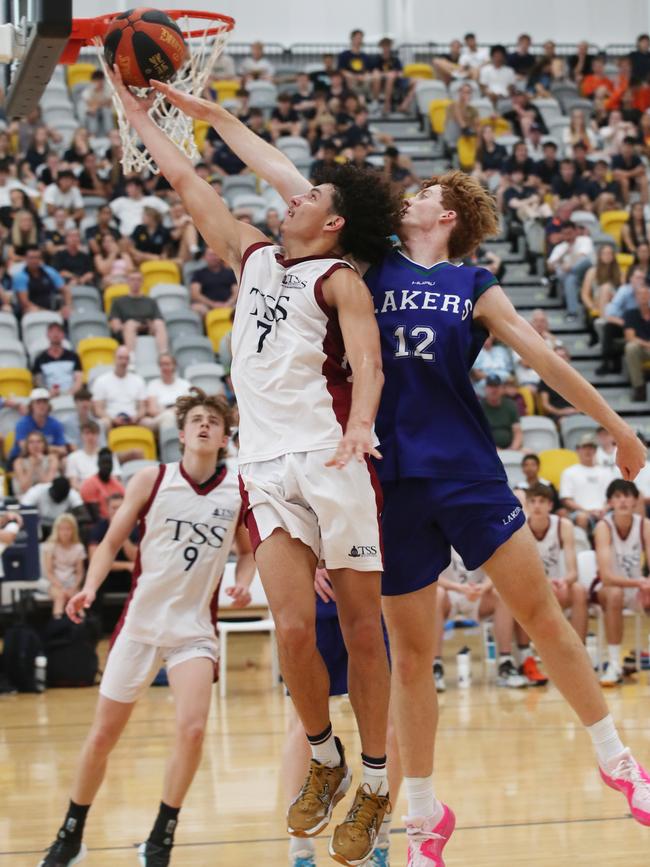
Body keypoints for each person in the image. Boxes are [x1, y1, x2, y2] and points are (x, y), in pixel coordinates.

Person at [153, 84, 650, 863]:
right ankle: (423, 816)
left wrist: (619, 428)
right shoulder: (366, 261)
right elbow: (287, 176)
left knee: (543, 613)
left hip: (464, 468)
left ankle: (619, 758)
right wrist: (217, 120)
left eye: (421, 192)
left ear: (446, 213)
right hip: (385, 483)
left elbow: (543, 356)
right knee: (410, 655)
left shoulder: (472, 283)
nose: (407, 196)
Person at [133, 70, 402, 867]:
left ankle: (379, 779)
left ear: (334, 219)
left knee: (360, 630)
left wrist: (358, 428)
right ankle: (326, 757)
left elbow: (369, 365)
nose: (292, 198)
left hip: (331, 460)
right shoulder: (251, 259)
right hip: (265, 465)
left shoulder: (340, 278)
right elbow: (185, 175)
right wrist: (137, 106)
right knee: (291, 627)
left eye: (308, 194)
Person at [38, 389, 256, 867]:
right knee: (101, 738)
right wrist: (90, 589)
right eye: (196, 420)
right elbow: (111, 540)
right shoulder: (151, 478)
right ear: (181, 433)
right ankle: (70, 835)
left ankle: (160, 838)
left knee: (194, 729)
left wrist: (243, 582)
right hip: (139, 626)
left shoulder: (236, 489)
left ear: (223, 438)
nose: (204, 426)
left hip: (193, 630)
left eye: (213, 423)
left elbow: (248, 552)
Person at [283, 567, 401, 867]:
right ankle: (300, 850)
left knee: (390, 725)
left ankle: (379, 841)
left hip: (376, 592)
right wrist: (299, 566)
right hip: (315, 598)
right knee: (302, 725)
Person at [432, 549, 528, 692]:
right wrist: (459, 588)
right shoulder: (438, 531)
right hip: (449, 592)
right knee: (436, 594)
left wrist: (483, 588)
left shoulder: (481, 530)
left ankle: (505, 663)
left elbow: (497, 568)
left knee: (502, 594)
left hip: (478, 593)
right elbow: (432, 575)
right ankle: (435, 667)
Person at [594, 479, 650, 686]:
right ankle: (615, 664)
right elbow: (607, 578)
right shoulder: (603, 526)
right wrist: (640, 583)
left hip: (637, 591)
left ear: (635, 500)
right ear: (610, 502)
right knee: (615, 592)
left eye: (627, 496)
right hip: (607, 590)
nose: (623, 501)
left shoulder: (645, 525)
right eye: (617, 496)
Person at [525, 484, 588, 642]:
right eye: (533, 501)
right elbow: (520, 573)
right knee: (516, 594)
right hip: (533, 587)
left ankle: (578, 647)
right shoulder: (520, 527)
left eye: (542, 501)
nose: (537, 505)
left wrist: (564, 581)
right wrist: (544, 583)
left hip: (558, 585)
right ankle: (524, 654)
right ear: (527, 505)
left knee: (579, 590)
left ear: (550, 505)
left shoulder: (563, 525)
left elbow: (573, 571)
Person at [560, 434, 616, 532]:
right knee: (582, 518)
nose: (588, 451)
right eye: (584, 447)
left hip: (604, 511)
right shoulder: (569, 472)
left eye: (591, 448)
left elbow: (613, 496)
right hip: (580, 512)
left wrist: (604, 509)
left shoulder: (606, 472)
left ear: (595, 450)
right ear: (578, 450)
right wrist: (586, 511)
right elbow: (566, 499)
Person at [108, 270, 169, 356]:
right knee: (130, 324)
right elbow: (115, 326)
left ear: (142, 282)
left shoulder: (150, 301)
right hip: (126, 333)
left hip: (148, 331)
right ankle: (131, 358)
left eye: (138, 280)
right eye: (132, 279)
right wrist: (130, 326)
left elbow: (158, 319)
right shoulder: (119, 302)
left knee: (159, 324)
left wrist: (148, 325)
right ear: (127, 281)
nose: (135, 282)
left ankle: (163, 355)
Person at [91, 346, 147, 429]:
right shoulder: (101, 381)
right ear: (114, 358)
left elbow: (143, 407)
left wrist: (136, 417)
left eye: (126, 358)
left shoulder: (138, 380)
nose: (124, 361)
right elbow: (98, 409)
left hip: (134, 420)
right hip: (110, 421)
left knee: (148, 422)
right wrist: (112, 419)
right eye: (120, 358)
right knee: (103, 423)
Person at [9, 387, 68, 464]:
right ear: (31, 405)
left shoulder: (55, 424)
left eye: (45, 402)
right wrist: (50, 448)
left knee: (63, 461)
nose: (42, 405)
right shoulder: (22, 423)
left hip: (47, 458)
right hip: (22, 458)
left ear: (48, 405)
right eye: (38, 402)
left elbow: (63, 450)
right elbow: (25, 447)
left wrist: (37, 447)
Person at [43, 513, 85, 619]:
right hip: (54, 583)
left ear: (73, 530)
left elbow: (80, 573)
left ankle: (82, 622)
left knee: (76, 598)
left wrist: (74, 587)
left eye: (68, 529)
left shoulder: (79, 547)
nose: (65, 532)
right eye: (62, 529)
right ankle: (58, 623)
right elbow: (49, 572)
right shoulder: (50, 546)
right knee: (60, 596)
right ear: (56, 530)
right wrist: (61, 587)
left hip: (72, 583)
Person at [13, 246, 71, 317]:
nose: (34, 261)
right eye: (31, 258)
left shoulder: (50, 272)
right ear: (25, 259)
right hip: (33, 310)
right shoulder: (20, 276)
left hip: (53, 309)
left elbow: (65, 291)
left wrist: (67, 306)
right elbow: (24, 302)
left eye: (37, 257)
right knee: (31, 310)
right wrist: (47, 313)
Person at [20, 476, 84, 539]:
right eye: (57, 496)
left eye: (61, 498)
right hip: (40, 525)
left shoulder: (72, 494)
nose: (58, 500)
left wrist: (68, 518)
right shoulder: (38, 490)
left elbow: (83, 515)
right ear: (51, 488)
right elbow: (24, 509)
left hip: (61, 526)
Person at [142, 353, 191, 433]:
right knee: (168, 417)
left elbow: (188, 406)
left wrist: (170, 410)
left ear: (174, 366)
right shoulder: (153, 385)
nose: (164, 367)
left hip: (180, 417)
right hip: (159, 418)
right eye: (162, 364)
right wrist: (171, 411)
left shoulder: (185, 384)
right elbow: (152, 410)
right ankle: (169, 444)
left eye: (167, 364)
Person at [32, 321, 83, 397]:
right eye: (52, 331)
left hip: (71, 396)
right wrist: (48, 393)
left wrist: (69, 394)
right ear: (47, 335)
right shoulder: (40, 359)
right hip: (49, 398)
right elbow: (38, 382)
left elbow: (79, 380)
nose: (55, 334)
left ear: (63, 335)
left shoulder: (73, 356)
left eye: (58, 331)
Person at [65, 421, 121, 490]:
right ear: (81, 436)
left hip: (106, 492)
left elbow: (115, 478)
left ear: (98, 435)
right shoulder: (73, 457)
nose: (90, 437)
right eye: (87, 433)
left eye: (93, 433)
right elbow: (73, 483)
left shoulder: (108, 454)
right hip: (83, 493)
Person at [79, 447, 126, 522]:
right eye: (104, 463)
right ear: (98, 463)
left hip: (118, 522)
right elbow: (95, 516)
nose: (107, 466)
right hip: (99, 524)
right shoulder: (89, 484)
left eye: (109, 463)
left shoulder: (118, 485)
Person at [623, 279, 650, 401]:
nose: (643, 297)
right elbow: (630, 337)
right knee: (631, 347)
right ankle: (639, 388)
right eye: (640, 294)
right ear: (635, 297)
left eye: (646, 294)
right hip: (642, 349)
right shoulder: (630, 314)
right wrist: (647, 344)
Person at [189, 249, 238, 316]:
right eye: (210, 255)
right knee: (196, 308)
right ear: (204, 257)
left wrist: (228, 304)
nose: (214, 257)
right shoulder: (198, 274)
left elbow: (236, 292)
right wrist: (213, 304)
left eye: (216, 255)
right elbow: (195, 294)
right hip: (207, 307)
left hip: (229, 305)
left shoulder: (230, 273)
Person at [480, 374, 522, 450]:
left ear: (502, 389)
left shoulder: (511, 405)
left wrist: (512, 449)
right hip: (487, 449)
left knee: (530, 453)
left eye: (496, 386)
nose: (494, 390)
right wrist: (492, 449)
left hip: (511, 447)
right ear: (485, 389)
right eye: (490, 386)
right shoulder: (479, 407)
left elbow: (517, 432)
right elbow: (477, 434)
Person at [12, 430, 59, 497]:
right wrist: (32, 467)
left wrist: (39, 467)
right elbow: (24, 488)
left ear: (44, 444)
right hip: (25, 497)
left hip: (47, 497)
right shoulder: (19, 462)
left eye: (39, 442)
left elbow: (48, 485)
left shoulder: (52, 459)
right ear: (27, 445)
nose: (35, 445)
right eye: (31, 442)